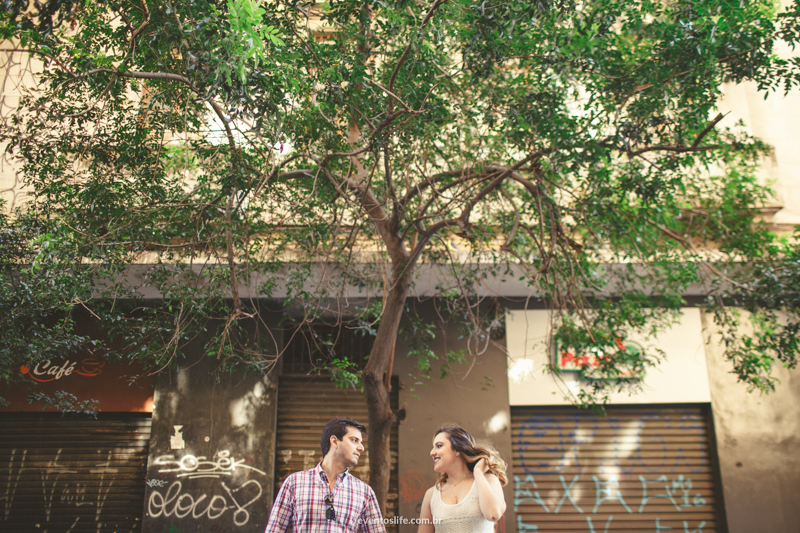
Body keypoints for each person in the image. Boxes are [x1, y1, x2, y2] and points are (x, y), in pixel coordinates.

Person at [265, 417, 386, 533]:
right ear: (334, 441)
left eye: (361, 442)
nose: (361, 448)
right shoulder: (294, 483)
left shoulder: (364, 492)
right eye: (354, 440)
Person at [417, 426, 507, 533]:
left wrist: (478, 472)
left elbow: (493, 514)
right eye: (433, 447)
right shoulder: (431, 494)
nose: (432, 452)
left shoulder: (488, 480)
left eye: (439, 446)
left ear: (457, 450)